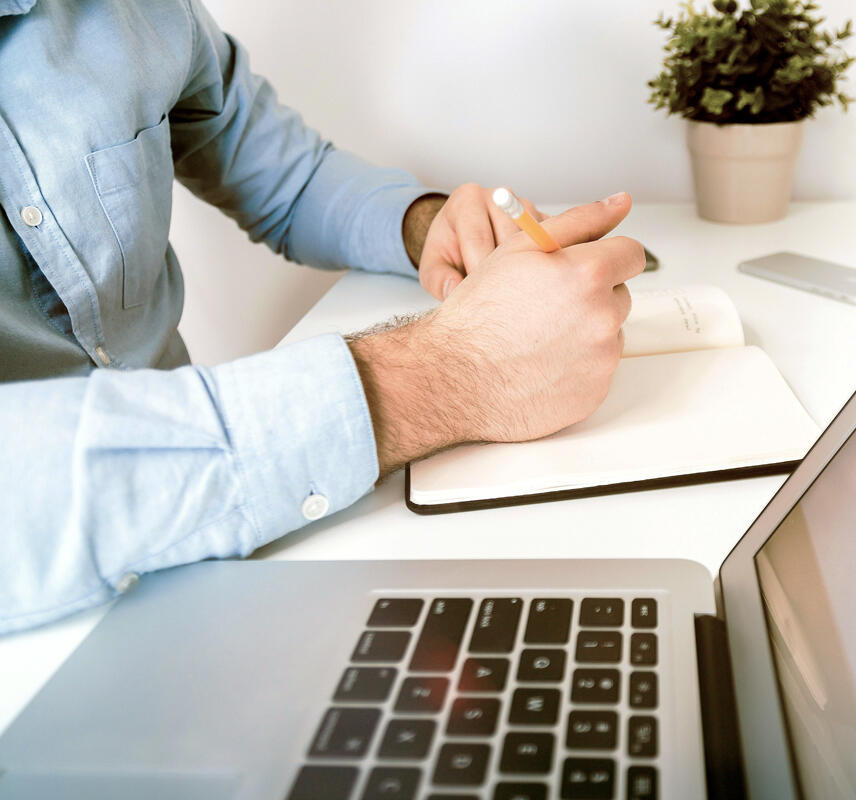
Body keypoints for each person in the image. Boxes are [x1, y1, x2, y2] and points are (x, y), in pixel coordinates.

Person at [0, 0, 643, 633]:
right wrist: (458, 369)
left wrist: (428, 226)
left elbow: (289, 179)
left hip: (225, 556)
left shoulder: (142, 12)